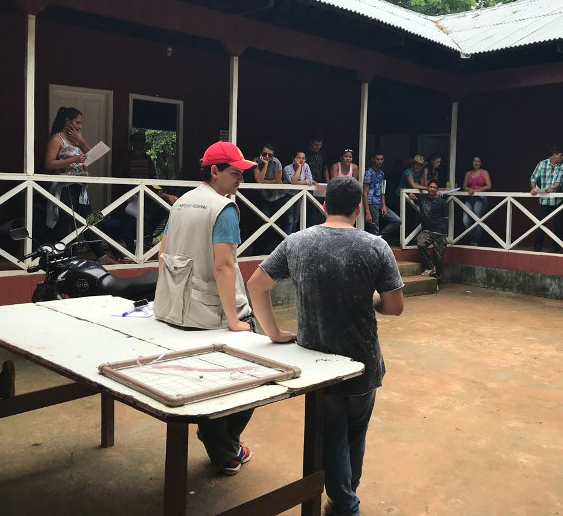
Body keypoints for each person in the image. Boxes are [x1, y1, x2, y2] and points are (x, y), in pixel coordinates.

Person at [247, 176, 405, 516]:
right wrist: (370, 297)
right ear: (358, 209)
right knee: (354, 435)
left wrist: (273, 332)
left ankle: (343, 500)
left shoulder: (296, 242)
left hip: (317, 364)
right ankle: (346, 502)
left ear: (323, 206)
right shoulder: (376, 246)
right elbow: (395, 306)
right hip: (362, 362)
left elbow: (256, 284)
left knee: (332, 435)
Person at [154, 141, 260, 475]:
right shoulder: (223, 208)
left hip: (175, 308)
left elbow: (163, 252)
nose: (240, 179)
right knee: (256, 374)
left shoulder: (182, 202)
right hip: (210, 311)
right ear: (214, 171)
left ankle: (223, 443)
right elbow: (224, 266)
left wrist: (169, 297)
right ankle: (223, 444)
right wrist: (234, 320)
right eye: (235, 173)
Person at [44, 107, 115, 265]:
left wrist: (80, 139)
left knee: (89, 220)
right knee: (63, 222)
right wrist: (73, 159)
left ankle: (100, 255)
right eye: (77, 122)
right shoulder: (57, 139)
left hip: (80, 187)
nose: (80, 126)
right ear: (67, 121)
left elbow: (91, 156)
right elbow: (49, 164)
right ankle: (57, 257)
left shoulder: (76, 141)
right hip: (65, 187)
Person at [530, 145, 563, 252]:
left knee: (558, 225)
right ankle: (537, 248)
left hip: (558, 200)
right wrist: (533, 188)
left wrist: (552, 189)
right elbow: (533, 177)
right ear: (554, 154)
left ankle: (557, 249)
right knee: (541, 224)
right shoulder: (542, 163)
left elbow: (559, 180)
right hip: (544, 200)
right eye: (561, 155)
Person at [363, 151, 401, 240]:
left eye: (381, 159)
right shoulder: (369, 172)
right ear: (373, 159)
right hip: (371, 203)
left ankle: (380, 237)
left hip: (380, 202)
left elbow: (382, 190)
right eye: (377, 159)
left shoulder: (381, 173)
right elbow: (365, 192)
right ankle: (376, 242)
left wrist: (384, 205)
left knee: (397, 220)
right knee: (374, 228)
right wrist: (367, 212)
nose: (380, 161)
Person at [416, 179, 449, 281]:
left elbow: (446, 218)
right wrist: (411, 195)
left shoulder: (442, 202)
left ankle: (438, 280)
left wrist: (445, 233)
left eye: (434, 188)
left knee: (439, 257)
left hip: (440, 231)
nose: (432, 189)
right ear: (427, 187)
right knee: (420, 243)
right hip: (427, 230)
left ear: (437, 189)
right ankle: (430, 267)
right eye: (430, 187)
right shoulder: (422, 198)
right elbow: (411, 193)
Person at [462, 156, 492, 246]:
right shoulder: (468, 173)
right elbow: (464, 186)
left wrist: (476, 191)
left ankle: (476, 240)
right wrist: (468, 189)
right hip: (470, 197)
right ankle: (471, 238)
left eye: (478, 161)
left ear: (481, 163)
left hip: (480, 197)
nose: (476, 163)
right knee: (466, 220)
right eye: (474, 161)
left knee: (477, 218)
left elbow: (489, 186)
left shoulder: (484, 172)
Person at [253, 142, 287, 221]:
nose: (267, 157)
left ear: (273, 155)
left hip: (278, 196)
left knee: (277, 220)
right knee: (264, 219)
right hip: (264, 196)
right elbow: (259, 180)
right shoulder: (256, 161)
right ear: (260, 153)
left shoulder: (276, 162)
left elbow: (278, 181)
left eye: (270, 155)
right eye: (264, 154)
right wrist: (265, 164)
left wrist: (263, 181)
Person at [283, 150, 313, 235]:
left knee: (296, 220)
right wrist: (299, 167)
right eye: (299, 158)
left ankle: (294, 239)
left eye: (303, 158)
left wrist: (297, 182)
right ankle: (287, 238)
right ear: (294, 159)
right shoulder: (287, 168)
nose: (301, 160)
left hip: (300, 195)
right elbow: (293, 181)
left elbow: (310, 180)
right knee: (290, 220)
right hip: (289, 195)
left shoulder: (306, 166)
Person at [305, 133, 329, 226]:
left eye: (320, 144)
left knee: (319, 208)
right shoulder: (306, 153)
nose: (318, 147)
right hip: (307, 185)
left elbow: (325, 168)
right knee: (307, 209)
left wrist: (328, 182)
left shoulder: (322, 154)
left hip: (319, 184)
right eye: (316, 144)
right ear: (311, 142)